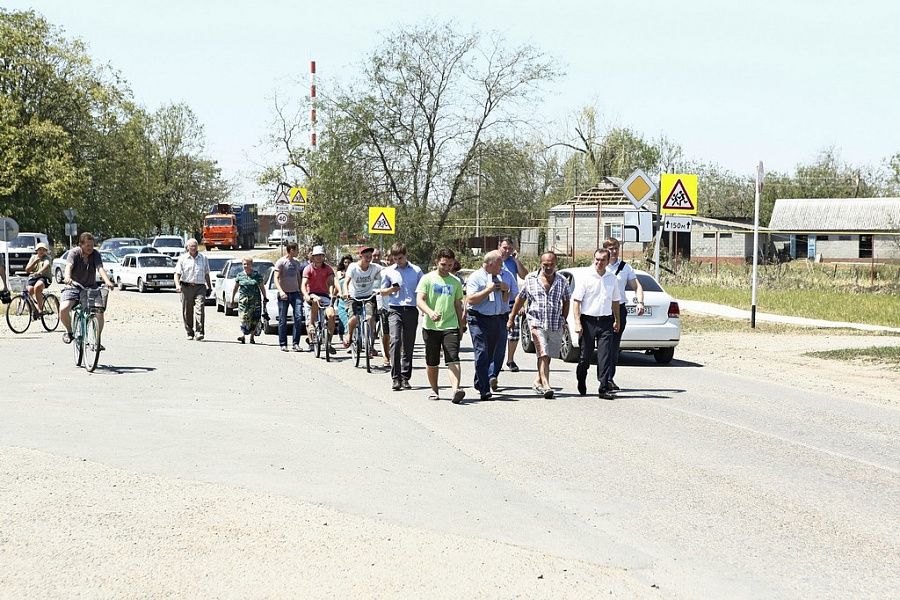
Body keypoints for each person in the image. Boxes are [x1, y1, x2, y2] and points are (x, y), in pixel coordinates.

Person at [508, 251, 570, 399]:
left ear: (556, 264)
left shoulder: (562, 280)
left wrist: (564, 319)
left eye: (551, 265)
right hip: (536, 322)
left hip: (555, 323)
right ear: (540, 263)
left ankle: (537, 380)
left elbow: (566, 300)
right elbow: (520, 299)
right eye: (545, 265)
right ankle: (546, 384)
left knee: (549, 355)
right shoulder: (531, 279)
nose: (548, 268)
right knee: (543, 352)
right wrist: (512, 317)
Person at [415, 248, 466, 404]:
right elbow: (420, 300)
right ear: (437, 262)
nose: (446, 268)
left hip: (450, 325)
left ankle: (456, 389)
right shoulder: (427, 279)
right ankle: (434, 389)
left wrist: (461, 325)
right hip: (431, 327)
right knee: (432, 361)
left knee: (453, 357)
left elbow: (458, 304)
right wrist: (430, 312)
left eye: (450, 265)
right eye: (444, 264)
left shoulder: (455, 281)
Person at [571, 248, 622, 399]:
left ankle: (603, 387)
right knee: (584, 357)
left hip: (606, 321)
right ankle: (581, 378)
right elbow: (576, 301)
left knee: (605, 356)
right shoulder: (586, 277)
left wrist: (617, 320)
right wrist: (577, 322)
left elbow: (615, 301)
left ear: (608, 261)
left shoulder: (612, 278)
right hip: (588, 321)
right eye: (597, 260)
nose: (599, 263)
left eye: (602, 260)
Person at [465, 250, 510, 400]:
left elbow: (505, 299)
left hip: (495, 319)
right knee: (482, 352)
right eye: (499, 264)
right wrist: (487, 290)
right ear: (490, 264)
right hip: (478, 319)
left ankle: (479, 382)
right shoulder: (476, 277)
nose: (501, 267)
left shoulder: (498, 277)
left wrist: (505, 289)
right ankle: (485, 389)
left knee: (489, 354)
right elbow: (470, 300)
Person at [604, 237, 645, 391]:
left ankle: (609, 378)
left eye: (616, 248)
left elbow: (637, 286)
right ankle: (602, 377)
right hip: (602, 310)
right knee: (603, 347)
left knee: (613, 347)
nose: (613, 251)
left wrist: (640, 302)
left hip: (619, 310)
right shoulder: (599, 265)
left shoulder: (625, 267)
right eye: (610, 248)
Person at [381, 242, 423, 391]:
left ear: (406, 256)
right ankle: (395, 378)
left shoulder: (416, 271)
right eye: (395, 258)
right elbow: (382, 291)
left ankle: (405, 377)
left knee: (408, 344)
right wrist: (391, 289)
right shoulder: (389, 271)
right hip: (394, 309)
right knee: (396, 341)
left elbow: (422, 291)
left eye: (400, 258)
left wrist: (424, 308)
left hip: (411, 309)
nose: (397, 261)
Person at [60, 232, 115, 345]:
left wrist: (107, 281)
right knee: (64, 309)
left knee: (99, 312)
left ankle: (97, 340)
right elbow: (69, 266)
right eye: (88, 245)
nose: (90, 248)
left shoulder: (95, 254)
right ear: (81, 244)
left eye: (92, 245)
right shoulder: (74, 253)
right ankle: (69, 332)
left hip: (90, 288)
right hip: (73, 287)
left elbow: (100, 268)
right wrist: (67, 277)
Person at [343, 246, 383, 354]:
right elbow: (346, 282)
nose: (369, 258)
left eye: (370, 256)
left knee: (370, 318)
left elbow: (387, 270)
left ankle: (370, 345)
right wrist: (346, 292)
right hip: (353, 297)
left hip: (368, 297)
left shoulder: (375, 267)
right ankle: (350, 335)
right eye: (366, 256)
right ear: (360, 256)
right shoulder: (353, 267)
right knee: (354, 319)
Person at [497, 236, 528, 373]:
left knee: (514, 333)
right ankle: (496, 360)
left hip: (512, 302)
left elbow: (524, 276)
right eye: (505, 248)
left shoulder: (512, 261)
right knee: (498, 333)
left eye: (510, 248)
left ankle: (510, 359)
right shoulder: (494, 259)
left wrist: (516, 260)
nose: (507, 251)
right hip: (497, 302)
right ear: (499, 246)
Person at [302, 245, 338, 354]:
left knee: (331, 315)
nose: (318, 258)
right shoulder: (308, 269)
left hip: (325, 295)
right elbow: (303, 285)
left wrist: (332, 294)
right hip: (312, 295)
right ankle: (312, 330)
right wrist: (306, 295)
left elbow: (331, 282)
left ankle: (329, 342)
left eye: (320, 255)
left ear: (323, 257)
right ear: (312, 257)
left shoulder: (328, 268)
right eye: (316, 255)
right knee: (315, 301)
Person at [173, 238, 211, 341]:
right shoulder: (183, 258)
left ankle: (199, 332)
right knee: (187, 311)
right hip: (186, 287)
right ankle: (190, 332)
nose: (193, 248)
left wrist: (209, 287)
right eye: (191, 246)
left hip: (200, 287)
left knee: (200, 309)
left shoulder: (203, 258)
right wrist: (177, 285)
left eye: (195, 246)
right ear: (187, 247)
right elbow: (177, 274)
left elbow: (207, 274)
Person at [273, 242, 305, 352]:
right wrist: (281, 291)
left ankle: (295, 343)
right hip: (284, 294)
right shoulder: (281, 262)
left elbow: (299, 278)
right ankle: (283, 344)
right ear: (291, 250)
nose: (298, 252)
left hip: (295, 293)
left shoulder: (297, 262)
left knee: (299, 317)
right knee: (283, 319)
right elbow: (276, 278)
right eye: (297, 250)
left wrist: (302, 292)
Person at [230, 257, 267, 344]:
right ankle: (242, 335)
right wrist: (232, 298)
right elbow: (235, 287)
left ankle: (252, 337)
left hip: (255, 301)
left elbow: (262, 287)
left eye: (248, 264)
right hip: (244, 301)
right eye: (244, 264)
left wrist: (265, 297)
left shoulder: (257, 275)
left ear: (251, 264)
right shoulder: (240, 275)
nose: (246, 266)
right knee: (243, 318)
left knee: (254, 319)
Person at [372, 248, 393, 367]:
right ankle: (386, 357)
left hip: (398, 306)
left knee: (397, 335)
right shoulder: (381, 271)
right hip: (384, 305)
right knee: (385, 334)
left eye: (393, 260)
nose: (391, 262)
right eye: (389, 260)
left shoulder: (401, 271)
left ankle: (394, 354)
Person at [25, 242, 53, 316]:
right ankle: (33, 310)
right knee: (29, 291)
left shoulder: (47, 258)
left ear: (46, 251)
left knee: (37, 287)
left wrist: (39, 272)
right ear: (36, 251)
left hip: (45, 278)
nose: (41, 251)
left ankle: (40, 310)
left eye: (43, 250)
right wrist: (35, 262)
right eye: (39, 249)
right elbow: (27, 269)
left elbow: (46, 265)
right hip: (34, 277)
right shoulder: (33, 257)